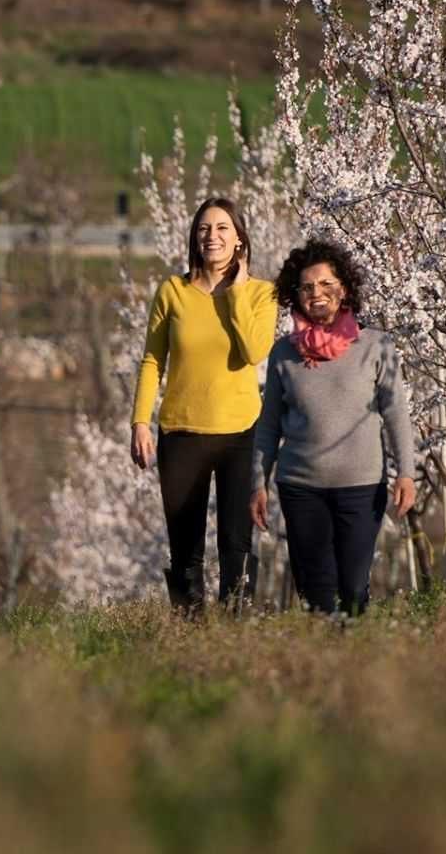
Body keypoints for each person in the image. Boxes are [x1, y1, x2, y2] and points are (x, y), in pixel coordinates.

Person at [249, 238, 418, 616]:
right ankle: (323, 669)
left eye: (326, 285)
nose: (317, 294)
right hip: (300, 488)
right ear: (296, 295)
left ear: (344, 289)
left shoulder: (376, 346)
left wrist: (406, 473)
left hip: (360, 489)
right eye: (307, 287)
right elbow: (269, 424)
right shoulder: (284, 353)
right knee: (315, 591)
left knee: (354, 587)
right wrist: (257, 483)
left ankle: (354, 664)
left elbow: (395, 413)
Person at [130, 196, 279, 614]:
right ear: (194, 238)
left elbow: (252, 351)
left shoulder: (263, 294)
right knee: (185, 549)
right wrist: (141, 421)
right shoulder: (172, 291)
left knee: (237, 545)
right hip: (181, 433)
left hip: (240, 435)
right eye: (203, 229)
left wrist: (234, 294)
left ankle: (234, 636)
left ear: (239, 240)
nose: (211, 236)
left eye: (222, 229)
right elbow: (152, 360)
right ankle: (189, 637)